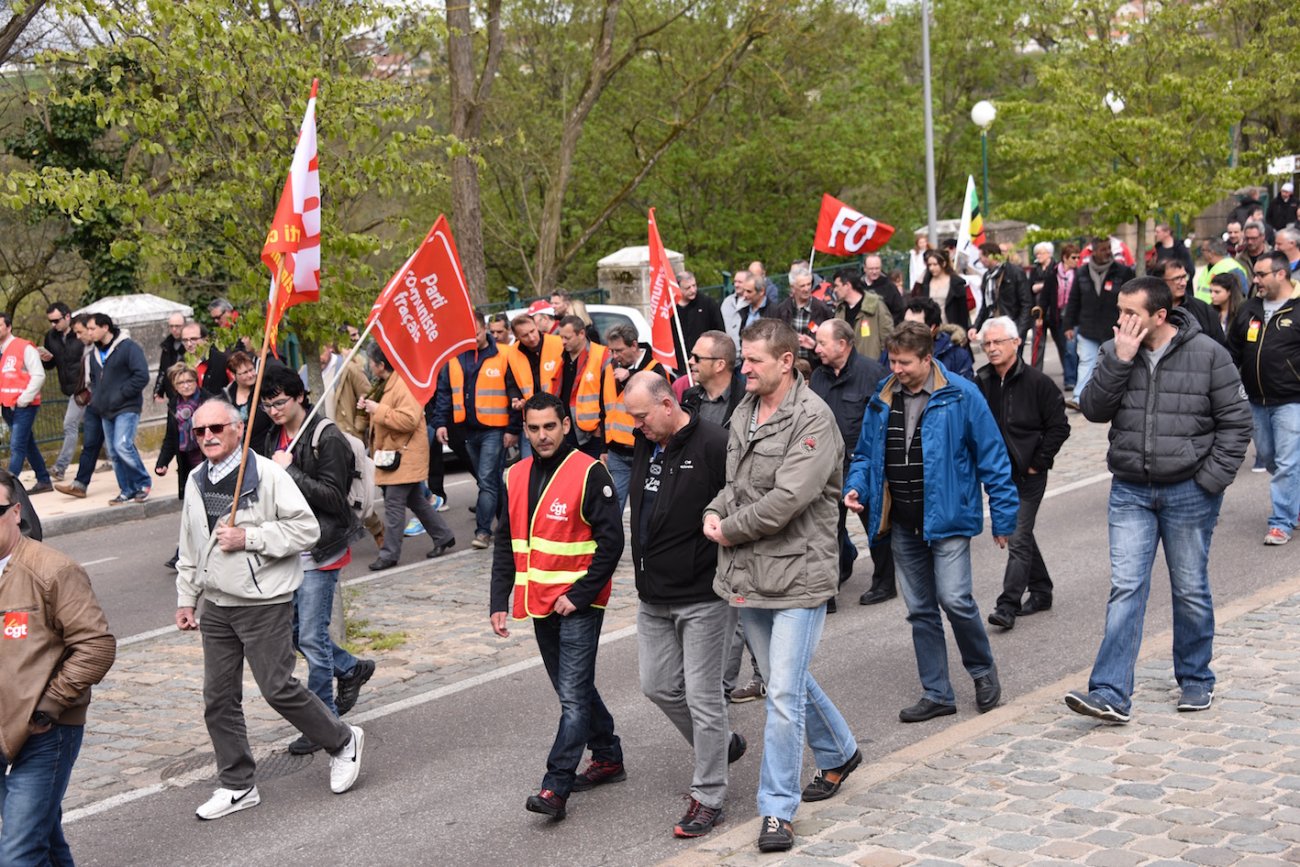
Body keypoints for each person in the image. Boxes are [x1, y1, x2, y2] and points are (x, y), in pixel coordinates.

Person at [703, 319, 860, 854]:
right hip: (750, 574)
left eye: (752, 361)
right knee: (784, 679)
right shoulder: (744, 410)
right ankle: (839, 750)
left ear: (787, 361)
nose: (741, 369)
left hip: (799, 575)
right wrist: (713, 510)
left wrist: (728, 528)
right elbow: (735, 485)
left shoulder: (813, 417)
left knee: (783, 696)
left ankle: (776, 809)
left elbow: (787, 499)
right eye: (742, 360)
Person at [1064, 277, 1250, 724]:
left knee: (1189, 589)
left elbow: (1236, 423)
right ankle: (1110, 692)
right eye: (1120, 311)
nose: (1122, 321)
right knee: (1126, 587)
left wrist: (1210, 481)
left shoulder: (1208, 353)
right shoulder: (1114, 352)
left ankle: (1195, 678)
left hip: (1189, 489)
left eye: (1132, 314)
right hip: (1130, 489)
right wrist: (1120, 361)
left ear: (1160, 315)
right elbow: (1092, 407)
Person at [175, 399, 365, 817]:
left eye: (216, 428)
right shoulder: (195, 479)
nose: (207, 436)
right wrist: (187, 597)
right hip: (219, 604)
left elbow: (306, 529)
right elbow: (190, 543)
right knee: (218, 699)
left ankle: (342, 740)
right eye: (200, 431)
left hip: (264, 600)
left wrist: (251, 538)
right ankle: (238, 784)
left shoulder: (269, 474)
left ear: (238, 429)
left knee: (277, 688)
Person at [844, 321, 1018, 724]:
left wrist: (1004, 517)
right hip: (903, 522)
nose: (897, 369)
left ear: (927, 358)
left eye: (905, 362)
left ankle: (982, 671)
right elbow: (866, 454)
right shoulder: (883, 396)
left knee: (955, 599)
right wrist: (857, 488)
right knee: (920, 608)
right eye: (892, 361)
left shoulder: (962, 394)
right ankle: (937, 692)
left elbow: (993, 457)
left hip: (949, 518)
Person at [488, 391, 624, 821]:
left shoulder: (590, 472)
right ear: (524, 429)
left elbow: (612, 543)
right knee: (575, 689)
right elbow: (505, 544)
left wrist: (580, 595)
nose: (542, 435)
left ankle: (555, 786)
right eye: (534, 428)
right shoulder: (515, 474)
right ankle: (607, 755)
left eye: (550, 426)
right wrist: (499, 600)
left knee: (571, 697)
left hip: (580, 604)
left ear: (566, 425)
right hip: (539, 603)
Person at [623, 372, 744, 838]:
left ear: (667, 404)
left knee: (703, 696)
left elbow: (738, 499)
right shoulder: (644, 442)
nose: (637, 426)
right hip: (653, 594)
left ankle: (709, 794)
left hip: (702, 595)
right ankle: (723, 745)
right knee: (657, 686)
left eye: (642, 416)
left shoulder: (716, 442)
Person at [0, 466, 114, 865]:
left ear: (16, 511)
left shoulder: (53, 570)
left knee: (16, 853)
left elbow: (96, 646)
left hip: (44, 731)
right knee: (41, 834)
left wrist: (50, 704)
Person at [261, 366, 376, 750]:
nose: (273, 410)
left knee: (311, 636)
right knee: (293, 633)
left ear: (299, 398)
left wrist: (289, 470)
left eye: (279, 402)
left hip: (320, 548)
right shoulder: (270, 437)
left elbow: (332, 497)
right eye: (267, 403)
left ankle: (322, 723)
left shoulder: (327, 438)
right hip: (285, 550)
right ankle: (350, 667)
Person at [976, 317, 1071, 630]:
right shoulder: (982, 381)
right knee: (1023, 534)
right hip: (999, 476)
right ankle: (1042, 590)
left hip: (1029, 474)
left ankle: (1007, 604)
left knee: (1016, 537)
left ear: (1015, 343)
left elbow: (1059, 426)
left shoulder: (1037, 382)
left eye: (997, 342)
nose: (991, 349)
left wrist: (1038, 461)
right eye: (987, 344)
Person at [810, 319, 890, 609]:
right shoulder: (818, 376)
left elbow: (886, 420)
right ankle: (829, 588)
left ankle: (884, 582)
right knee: (828, 528)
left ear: (842, 345)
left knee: (874, 525)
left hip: (863, 464)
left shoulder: (873, 373)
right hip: (827, 466)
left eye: (822, 343)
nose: (816, 348)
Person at [1227, 251, 1300, 546]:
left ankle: (1281, 522)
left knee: (1286, 463)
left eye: (1260, 275)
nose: (1254, 280)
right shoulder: (1249, 309)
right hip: (1256, 400)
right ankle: (1294, 500)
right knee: (1270, 459)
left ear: (1280, 274)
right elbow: (1231, 349)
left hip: (1291, 400)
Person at [360, 345, 456, 570]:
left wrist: (377, 410)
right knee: (416, 501)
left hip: (404, 454)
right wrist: (369, 409)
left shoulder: (402, 384)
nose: (370, 366)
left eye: (372, 362)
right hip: (397, 454)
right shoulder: (388, 384)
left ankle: (389, 554)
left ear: (381, 365)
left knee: (394, 505)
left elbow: (408, 420)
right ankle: (443, 536)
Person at [432, 315, 521, 549]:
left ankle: (483, 531)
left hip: (494, 428)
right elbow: (444, 393)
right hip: (467, 430)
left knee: (485, 481)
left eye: (477, 333)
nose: (473, 338)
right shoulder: (453, 358)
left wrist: (512, 428)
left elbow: (514, 393)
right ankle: (511, 524)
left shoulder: (503, 355)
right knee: (492, 481)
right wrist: (440, 423)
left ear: (485, 330)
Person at [85, 313, 151, 506]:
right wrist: (97, 400)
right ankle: (127, 490)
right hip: (105, 410)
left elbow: (141, 376)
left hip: (127, 406)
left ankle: (143, 484)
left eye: (92, 328)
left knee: (123, 445)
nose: (89, 333)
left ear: (105, 327)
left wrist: (121, 394)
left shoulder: (128, 348)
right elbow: (94, 381)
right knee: (113, 452)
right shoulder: (93, 354)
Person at [600, 323, 667, 510]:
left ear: (634, 345)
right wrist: (604, 446)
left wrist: (630, 375)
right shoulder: (610, 368)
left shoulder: (655, 368)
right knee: (612, 504)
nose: (615, 356)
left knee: (645, 505)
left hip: (644, 449)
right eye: (611, 351)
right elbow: (604, 409)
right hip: (616, 451)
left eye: (619, 350)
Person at [1063, 235, 1136, 408]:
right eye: (1103, 249)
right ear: (1093, 251)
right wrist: (1068, 324)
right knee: (1087, 361)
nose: (1107, 252)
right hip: (1088, 327)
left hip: (1114, 328)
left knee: (1112, 363)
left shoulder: (1123, 272)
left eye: (1109, 248)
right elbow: (1074, 300)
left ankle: (1115, 397)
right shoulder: (1082, 272)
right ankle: (1079, 398)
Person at [155, 364, 215, 567]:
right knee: (193, 509)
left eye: (189, 381)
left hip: (210, 461)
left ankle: (184, 553)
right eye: (180, 382)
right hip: (188, 464)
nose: (186, 385)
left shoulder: (209, 400)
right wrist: (162, 463)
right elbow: (170, 437)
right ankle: (186, 553)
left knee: (206, 509)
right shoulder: (174, 405)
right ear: (174, 385)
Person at [54, 316, 110, 500]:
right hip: (89, 399)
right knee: (90, 444)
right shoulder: (87, 350)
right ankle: (79, 485)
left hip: (108, 402)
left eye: (80, 331)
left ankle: (138, 481)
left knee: (120, 446)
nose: (77, 336)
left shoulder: (106, 349)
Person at [0, 313, 51, 495]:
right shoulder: (1, 351)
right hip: (7, 406)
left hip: (24, 405)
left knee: (17, 445)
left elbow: (39, 375)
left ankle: (8, 488)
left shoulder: (24, 347)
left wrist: (24, 399)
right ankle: (44, 480)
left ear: (8, 327)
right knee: (28, 443)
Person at [40, 302, 86, 483]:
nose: (53, 325)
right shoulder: (51, 337)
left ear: (67, 316)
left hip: (86, 387)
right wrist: (46, 359)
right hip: (71, 389)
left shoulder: (80, 332)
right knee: (96, 425)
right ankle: (116, 459)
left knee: (70, 425)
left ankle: (60, 467)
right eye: (50, 321)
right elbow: (51, 365)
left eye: (56, 320)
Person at [556, 315, 610, 458]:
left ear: (581, 334)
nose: (563, 342)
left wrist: (601, 429)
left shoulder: (601, 355)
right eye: (561, 337)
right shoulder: (560, 356)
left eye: (567, 338)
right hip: (567, 429)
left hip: (591, 432)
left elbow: (609, 397)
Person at [970, 242, 1034, 357]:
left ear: (990, 256)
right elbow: (986, 306)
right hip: (994, 325)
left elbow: (1026, 303)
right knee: (997, 359)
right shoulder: (987, 277)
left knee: (1013, 360)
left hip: (1012, 324)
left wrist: (1020, 330)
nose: (980, 261)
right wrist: (975, 327)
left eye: (981, 257)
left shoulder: (1014, 272)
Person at [1037, 243, 1081, 390]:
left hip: (1074, 316)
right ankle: (1071, 377)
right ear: (1065, 257)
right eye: (1074, 257)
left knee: (1071, 348)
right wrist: (1040, 314)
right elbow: (1045, 297)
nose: (1077, 260)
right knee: (1064, 348)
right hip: (1058, 316)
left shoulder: (1078, 275)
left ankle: (1071, 379)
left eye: (1078, 257)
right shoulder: (1053, 275)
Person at [772, 263, 834, 366]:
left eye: (808, 284)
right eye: (802, 286)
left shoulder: (822, 309)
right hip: (789, 365)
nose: (806, 289)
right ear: (793, 288)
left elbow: (831, 341)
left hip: (816, 365)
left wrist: (814, 346)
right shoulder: (782, 310)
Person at [680, 331, 745, 428]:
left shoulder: (746, 400)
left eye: (697, 358)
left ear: (720, 365)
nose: (690, 361)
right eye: (691, 356)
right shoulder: (689, 397)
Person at [1151, 259, 1224, 344]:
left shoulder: (1203, 309)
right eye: (1177, 278)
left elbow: (1219, 345)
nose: (1183, 283)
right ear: (1161, 282)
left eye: (1184, 277)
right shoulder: (1150, 310)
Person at [902, 297, 974, 381]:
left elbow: (964, 390)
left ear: (932, 327)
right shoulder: (893, 350)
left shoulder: (957, 355)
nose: (906, 329)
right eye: (905, 323)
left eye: (914, 325)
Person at [834, 271, 894, 362]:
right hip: (846, 366)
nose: (834, 290)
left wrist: (883, 362)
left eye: (837, 286)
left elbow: (887, 335)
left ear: (847, 285)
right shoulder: (840, 309)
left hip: (872, 365)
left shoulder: (876, 305)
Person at [672, 270, 725, 370]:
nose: (693, 290)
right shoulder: (671, 308)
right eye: (688, 288)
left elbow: (720, 332)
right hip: (679, 364)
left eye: (694, 285)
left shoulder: (708, 304)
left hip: (705, 363)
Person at [223, 351, 273, 455]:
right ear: (233, 375)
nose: (251, 375)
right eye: (245, 373)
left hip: (265, 449)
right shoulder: (227, 395)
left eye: (252, 370)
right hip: (239, 452)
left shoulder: (264, 389)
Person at [180, 321, 230, 395]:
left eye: (193, 339)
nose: (189, 344)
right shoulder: (181, 364)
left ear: (206, 339)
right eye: (185, 340)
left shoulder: (221, 360)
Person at [1194, 238, 1249, 302]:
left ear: (1211, 252)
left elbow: (1242, 295)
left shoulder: (1233, 268)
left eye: (1203, 250)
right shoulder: (1209, 267)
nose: (1201, 253)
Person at [154, 312, 187, 403]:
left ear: (184, 325)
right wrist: (158, 390)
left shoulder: (189, 344)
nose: (174, 329)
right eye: (171, 326)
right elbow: (163, 369)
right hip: (172, 392)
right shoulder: (168, 345)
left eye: (177, 326)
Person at [863, 254, 905, 324]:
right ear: (865, 268)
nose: (874, 272)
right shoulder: (858, 285)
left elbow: (899, 310)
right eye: (871, 269)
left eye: (877, 268)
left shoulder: (889, 286)